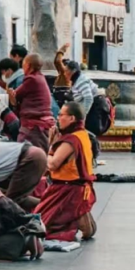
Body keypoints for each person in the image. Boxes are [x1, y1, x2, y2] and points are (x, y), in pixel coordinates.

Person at [35, 102, 96, 241]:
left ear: (72, 119)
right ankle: (81, 214)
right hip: (77, 187)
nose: (58, 118)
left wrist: (49, 146)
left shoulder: (71, 140)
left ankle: (80, 216)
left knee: (42, 223)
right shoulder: (82, 134)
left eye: (61, 115)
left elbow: (53, 164)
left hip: (68, 189)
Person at [0, 140, 48, 211]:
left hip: (30, 157)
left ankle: (48, 205)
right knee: (11, 198)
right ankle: (47, 204)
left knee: (11, 202)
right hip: (30, 156)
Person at [8, 53, 55, 151]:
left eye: (23, 64)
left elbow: (15, 94)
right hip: (41, 123)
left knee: (26, 154)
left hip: (34, 125)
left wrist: (9, 92)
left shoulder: (32, 79)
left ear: (28, 65)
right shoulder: (40, 77)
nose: (22, 67)